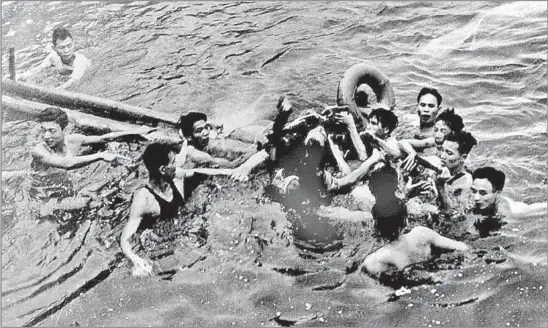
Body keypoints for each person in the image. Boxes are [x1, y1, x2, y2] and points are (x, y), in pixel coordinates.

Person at [30, 107, 152, 214]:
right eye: (43, 130)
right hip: (43, 196)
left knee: (108, 190)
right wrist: (101, 155)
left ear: (64, 129)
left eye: (51, 131)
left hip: (64, 186)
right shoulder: (39, 151)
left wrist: (135, 131)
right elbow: (67, 164)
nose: (46, 136)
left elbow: (102, 139)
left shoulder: (72, 140)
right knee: (88, 203)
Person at [120, 143, 185, 277]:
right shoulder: (143, 200)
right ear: (163, 169)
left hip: (177, 232)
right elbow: (125, 239)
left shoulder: (177, 176)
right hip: (156, 242)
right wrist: (136, 260)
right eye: (173, 162)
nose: (178, 163)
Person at [464, 167, 547, 236]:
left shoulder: (512, 212)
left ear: (498, 193)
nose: (476, 198)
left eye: (483, 193)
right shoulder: (468, 199)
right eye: (474, 191)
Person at [18, 27, 91, 90]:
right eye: (61, 47)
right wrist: (23, 75)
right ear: (54, 48)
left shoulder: (80, 61)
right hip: (66, 73)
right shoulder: (53, 56)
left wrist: (55, 90)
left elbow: (74, 81)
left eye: (69, 46)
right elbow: (40, 68)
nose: (67, 51)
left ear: (73, 43)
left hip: (84, 78)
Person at [399, 108, 464, 168]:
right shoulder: (434, 141)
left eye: (443, 131)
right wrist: (412, 153)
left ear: (453, 133)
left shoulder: (460, 147)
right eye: (435, 130)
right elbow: (403, 142)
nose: (437, 135)